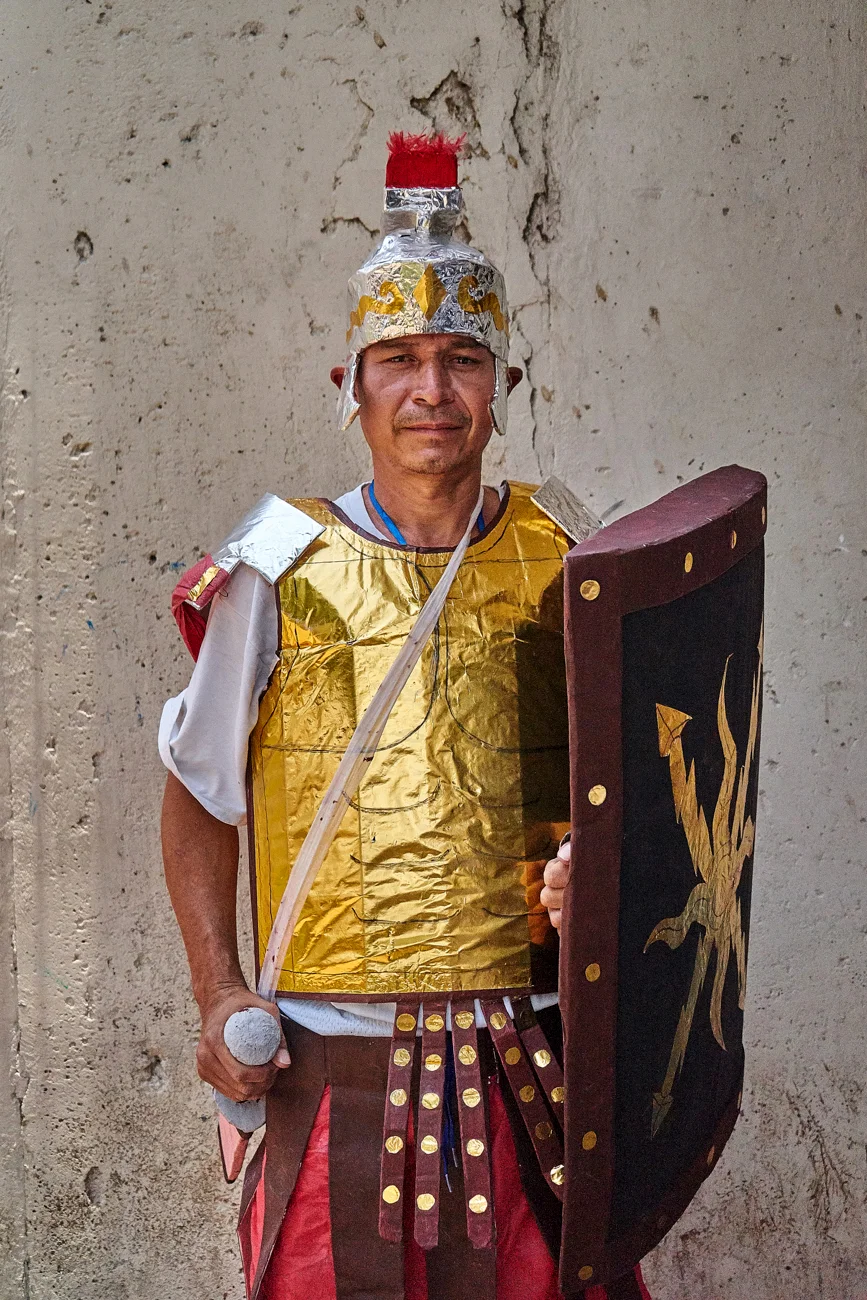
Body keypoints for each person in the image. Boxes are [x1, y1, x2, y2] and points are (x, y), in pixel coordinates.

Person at [159, 133, 651, 1300]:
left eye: (462, 358)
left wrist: (598, 877)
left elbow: (635, 788)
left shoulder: (572, 556)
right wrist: (219, 989)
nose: (432, 390)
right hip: (336, 1069)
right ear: (354, 386)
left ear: (503, 386)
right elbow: (198, 789)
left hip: (530, 1063)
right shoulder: (278, 565)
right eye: (401, 360)